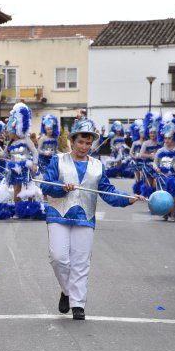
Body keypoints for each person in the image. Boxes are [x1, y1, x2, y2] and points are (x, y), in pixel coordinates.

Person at [42, 117, 144, 320]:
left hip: (85, 217)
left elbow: (108, 191)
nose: (84, 146)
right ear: (72, 141)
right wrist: (61, 187)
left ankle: (78, 304)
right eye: (81, 142)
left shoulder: (98, 166)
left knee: (81, 262)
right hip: (58, 214)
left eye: (88, 143)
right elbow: (46, 186)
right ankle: (67, 291)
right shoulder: (58, 160)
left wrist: (128, 199)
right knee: (58, 258)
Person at [152, 118, 175, 221]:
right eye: (165, 138)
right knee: (164, 196)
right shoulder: (160, 151)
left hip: (174, 176)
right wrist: (156, 168)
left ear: (173, 138)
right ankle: (165, 212)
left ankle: (172, 215)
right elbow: (155, 162)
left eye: (169, 138)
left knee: (174, 194)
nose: (167, 140)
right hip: (162, 176)